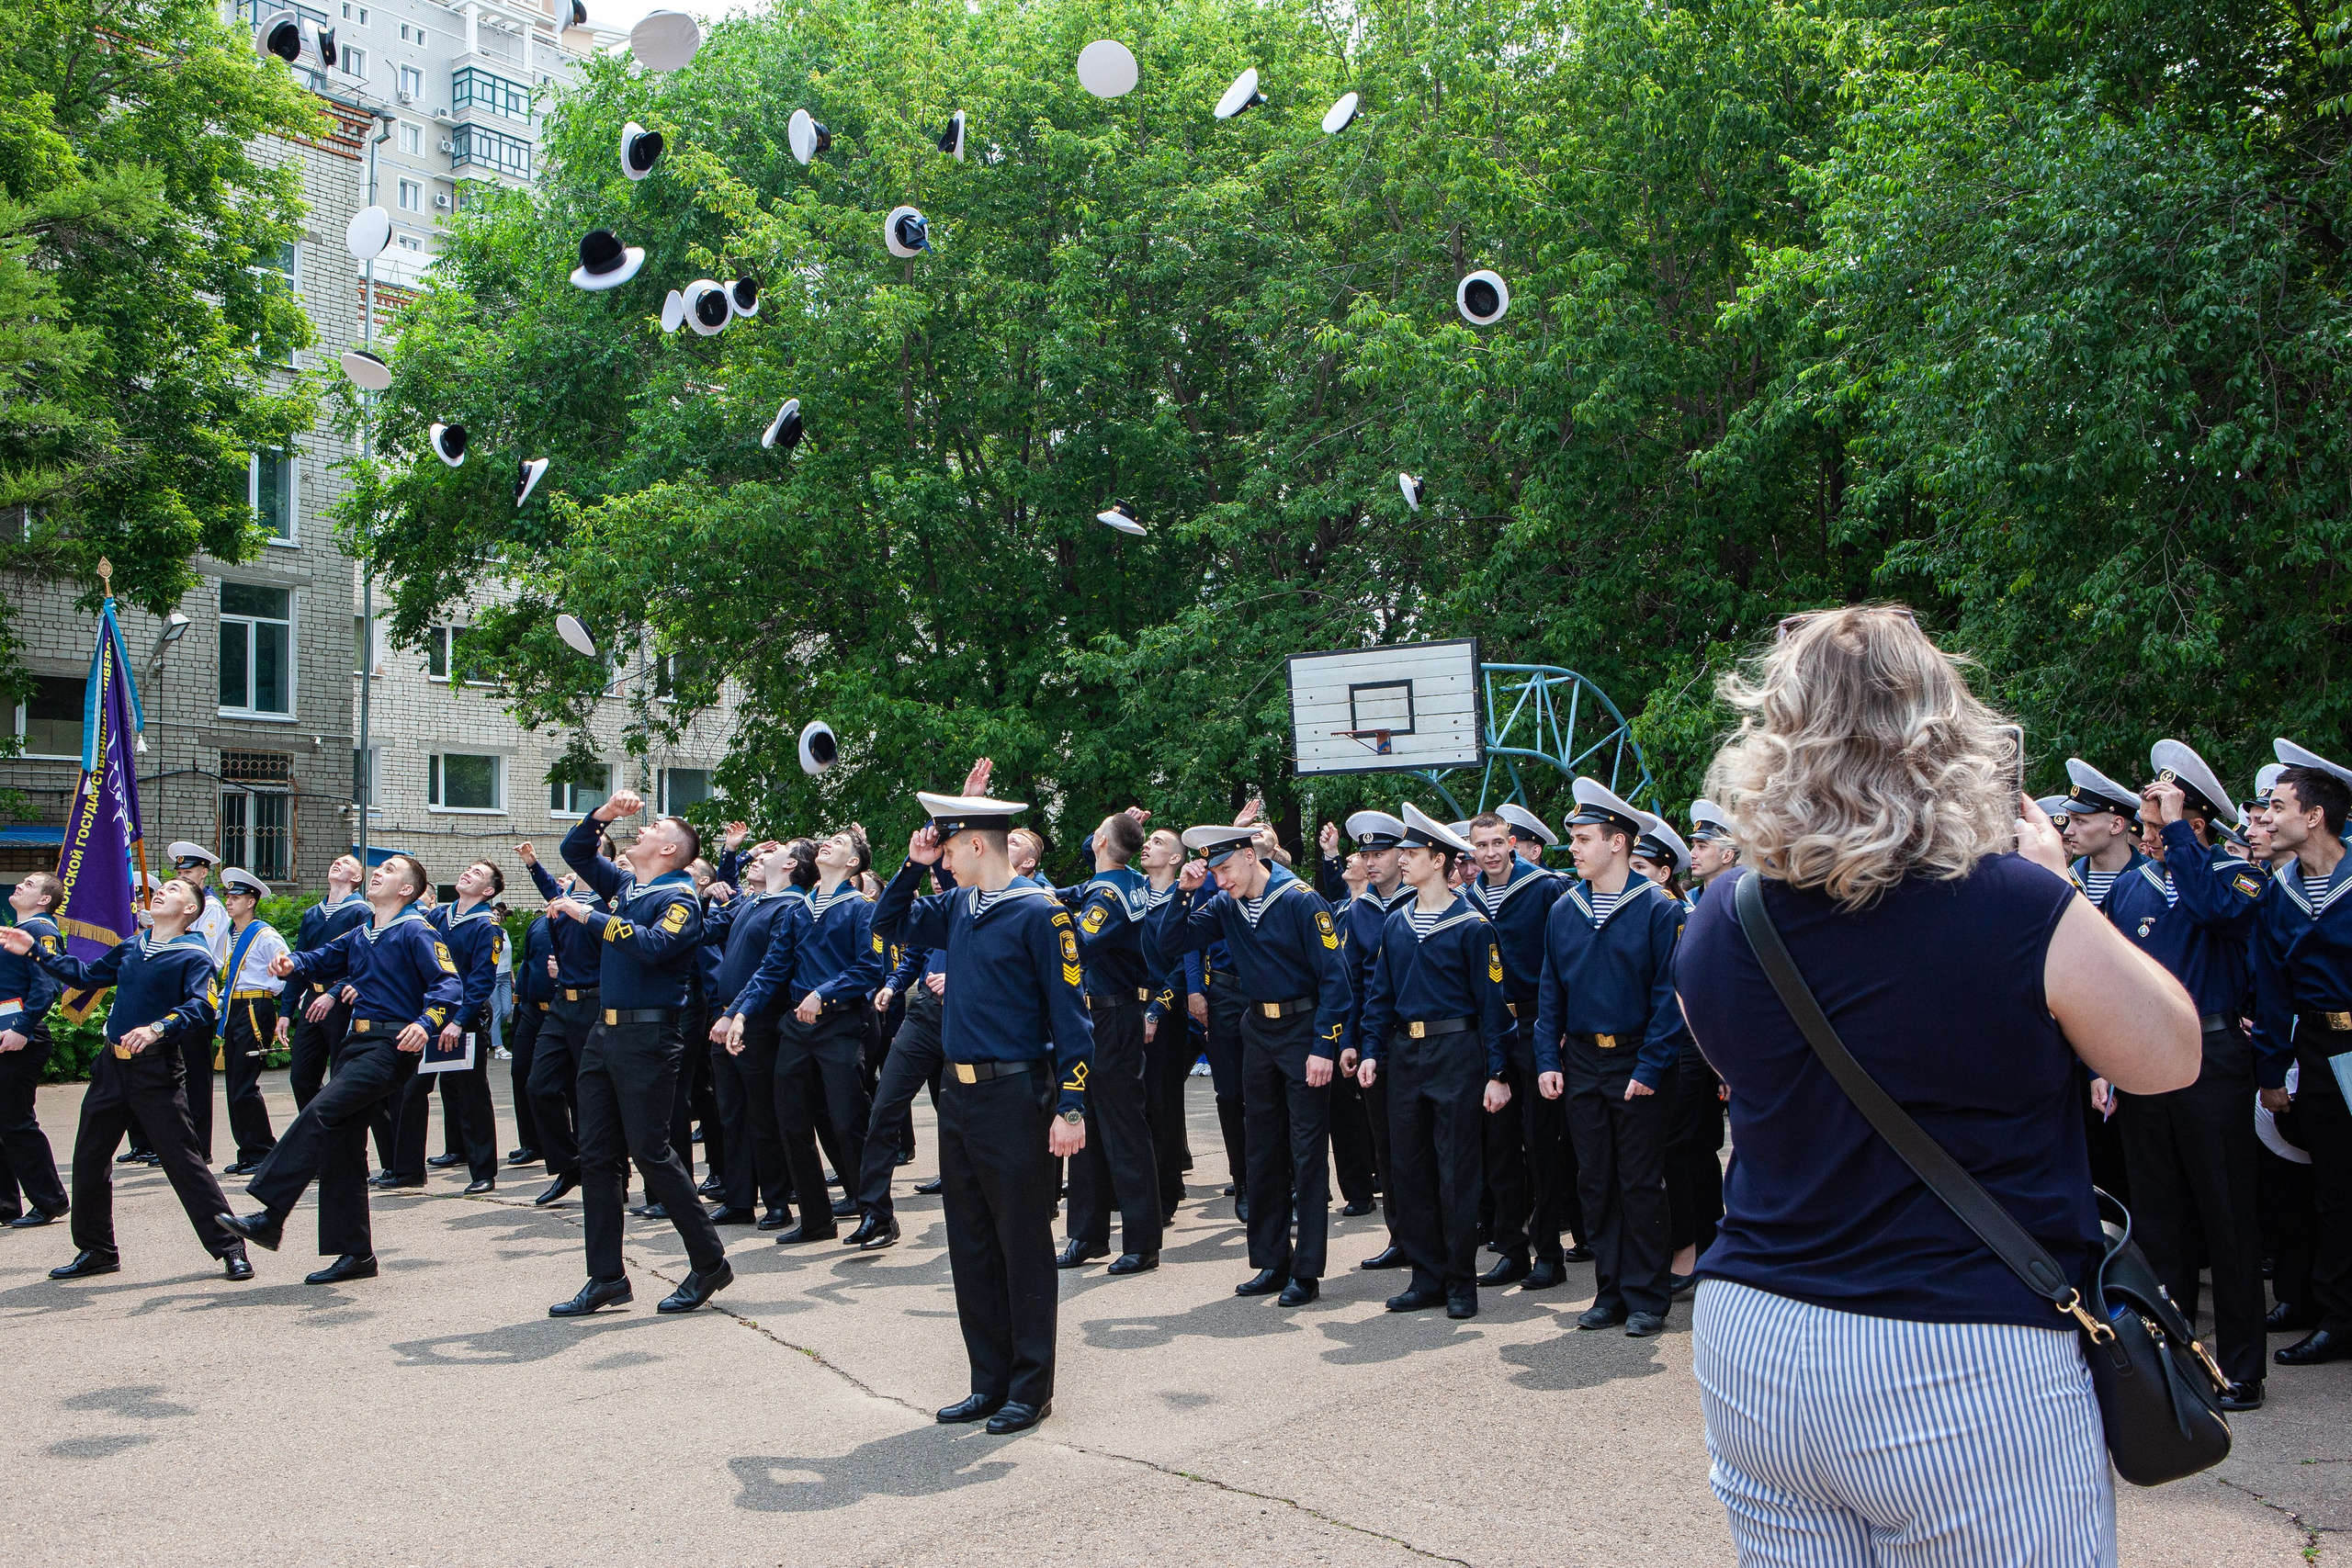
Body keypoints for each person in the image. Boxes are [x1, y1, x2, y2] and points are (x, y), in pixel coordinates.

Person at [1677, 604, 2199, 1567]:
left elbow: (1734, 1070)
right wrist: (2063, 888)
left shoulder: (1722, 911)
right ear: (1941, 730)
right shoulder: (2013, 903)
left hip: (1757, 1332)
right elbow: (2166, 1058)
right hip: (1956, 1349)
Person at [872, 777, 1091, 1434]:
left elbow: (1073, 1019)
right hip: (959, 1095)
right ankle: (986, 1380)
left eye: (944, 846)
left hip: (1016, 1094)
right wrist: (911, 866)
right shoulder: (960, 906)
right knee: (970, 1244)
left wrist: (1072, 1105)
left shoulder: (1040, 911)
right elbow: (887, 924)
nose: (939, 855)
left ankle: (1031, 1386)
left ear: (974, 843)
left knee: (1021, 1243)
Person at [2086, 741, 2267, 1408]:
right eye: (2148, 825)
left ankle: (2243, 1365)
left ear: (2197, 822)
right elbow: (2109, 981)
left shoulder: (2235, 876)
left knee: (2227, 1216)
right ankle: (2174, 1362)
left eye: (2163, 823)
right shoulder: (2133, 885)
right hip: (2143, 1061)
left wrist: (2187, 845)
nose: (2150, 835)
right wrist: (2103, 1062)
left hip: (2213, 1063)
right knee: (2160, 1226)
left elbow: (2218, 911)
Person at [218, 854, 463, 1283]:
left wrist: (426, 1024)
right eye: (378, 868)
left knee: (320, 1111)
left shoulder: (415, 930)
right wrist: (292, 963)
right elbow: (323, 956)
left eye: (390, 871)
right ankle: (355, 1254)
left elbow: (449, 985)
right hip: (356, 1043)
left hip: (391, 1046)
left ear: (406, 890)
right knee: (342, 1146)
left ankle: (271, 1211)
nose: (379, 872)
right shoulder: (365, 931)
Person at [3, 875, 253, 1280]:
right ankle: (97, 1250)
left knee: (184, 1163)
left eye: (174, 890)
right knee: (88, 1160)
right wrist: (35, 952)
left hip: (155, 1069)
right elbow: (85, 976)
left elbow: (202, 1006)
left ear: (191, 909)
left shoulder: (193, 954)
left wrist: (159, 1027)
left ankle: (230, 1247)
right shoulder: (134, 946)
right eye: (162, 887)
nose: (162, 891)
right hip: (111, 1068)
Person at [1147, 819, 1351, 1307]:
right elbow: (1168, 945)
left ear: (1248, 855)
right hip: (1257, 1029)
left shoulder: (1299, 899)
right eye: (1212, 871)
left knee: (1305, 1151)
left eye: (1224, 868)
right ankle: (1271, 1260)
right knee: (1261, 1149)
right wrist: (1182, 894)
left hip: (1303, 1030)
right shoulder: (1223, 901)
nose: (1220, 880)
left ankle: (1306, 1271)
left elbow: (1335, 980)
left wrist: (1325, 1046)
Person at [541, 791, 731, 1315]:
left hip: (649, 1037)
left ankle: (710, 1262)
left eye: (652, 829)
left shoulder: (680, 899)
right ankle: (606, 1277)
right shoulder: (627, 885)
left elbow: (651, 946)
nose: (640, 831)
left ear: (671, 850)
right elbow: (575, 853)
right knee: (598, 1155)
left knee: (651, 1153)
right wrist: (601, 814)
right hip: (607, 1034)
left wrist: (588, 917)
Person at [1530, 778, 1683, 1337]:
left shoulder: (1657, 910)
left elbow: (1671, 997)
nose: (1573, 847)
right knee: (1594, 1180)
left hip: (1637, 1063)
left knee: (1640, 1182)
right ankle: (1610, 1291)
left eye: (1584, 838)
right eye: (1573, 837)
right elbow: (1551, 993)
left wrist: (1650, 1066)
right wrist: (1548, 1059)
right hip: (1584, 1064)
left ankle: (1647, 1297)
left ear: (1617, 843)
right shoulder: (1564, 911)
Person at [1355, 805, 1512, 1319]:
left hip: (1457, 1054)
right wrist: (1373, 1051)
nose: (1403, 860)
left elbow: (1493, 1007)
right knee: (1411, 1168)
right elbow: (1381, 996)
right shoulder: (1397, 924)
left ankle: (1461, 1283)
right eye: (1402, 852)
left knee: (1457, 1172)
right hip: (1407, 1056)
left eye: (1413, 853)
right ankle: (1427, 1277)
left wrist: (1497, 1072)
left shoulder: (1472, 926)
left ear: (1440, 861)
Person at [725, 827, 878, 1244]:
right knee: (791, 1123)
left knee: (848, 1121)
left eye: (841, 843)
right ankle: (815, 1218)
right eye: (828, 839)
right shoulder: (799, 910)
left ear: (852, 864)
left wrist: (822, 994)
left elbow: (870, 969)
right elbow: (771, 968)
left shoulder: (860, 908)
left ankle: (877, 1214)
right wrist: (740, 1013)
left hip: (840, 1024)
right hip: (796, 1026)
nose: (828, 842)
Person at [2252, 740, 2352, 1368]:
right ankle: (2339, 1317)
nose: (2267, 816)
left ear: (2314, 815)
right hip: (2318, 1046)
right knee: (2334, 1190)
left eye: (2279, 804)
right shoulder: (2279, 892)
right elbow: (2272, 989)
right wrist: (2272, 1070)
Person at [1464, 805, 1578, 1286]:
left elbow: (1568, 957)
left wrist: (1565, 1023)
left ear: (1512, 843)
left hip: (1536, 1025)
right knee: (1500, 1145)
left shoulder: (1546, 889)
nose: (1490, 853)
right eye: (1481, 846)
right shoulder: (1466, 899)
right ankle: (1513, 1249)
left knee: (1542, 1143)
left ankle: (1549, 1251)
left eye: (1497, 843)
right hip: (1492, 1031)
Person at [1055, 809, 1163, 1275]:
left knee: (1123, 1129)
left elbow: (1076, 943)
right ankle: (1087, 1234)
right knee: (1087, 1126)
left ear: (1100, 839)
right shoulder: (1126, 879)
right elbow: (1091, 863)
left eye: (1095, 832)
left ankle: (1142, 1241)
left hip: (1111, 1014)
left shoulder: (1108, 896)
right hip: (1101, 1013)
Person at [1333, 811, 1417, 1273]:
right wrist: (1351, 1039)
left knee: (1422, 1144)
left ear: (1401, 855)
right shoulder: (1360, 908)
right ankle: (1399, 1235)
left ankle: (1433, 1236)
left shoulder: (1422, 902)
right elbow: (1354, 983)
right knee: (1385, 1145)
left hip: (1421, 1036)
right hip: (1376, 1039)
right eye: (1364, 854)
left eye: (1379, 853)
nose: (1370, 862)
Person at [393, 861, 503, 1195]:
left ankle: (483, 1171)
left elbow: (482, 981)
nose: (467, 872)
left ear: (488, 891)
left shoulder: (486, 925)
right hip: (431, 1016)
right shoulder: (439, 916)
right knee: (412, 1090)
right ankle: (408, 1170)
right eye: (467, 868)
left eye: (477, 874)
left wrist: (458, 1020)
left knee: (471, 1095)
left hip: (463, 1018)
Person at [705, 842, 799, 1228]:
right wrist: (700, 893)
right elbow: (705, 930)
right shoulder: (753, 902)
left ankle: (777, 1201)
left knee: (764, 1115)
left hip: (756, 1022)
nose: (760, 858)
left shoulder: (788, 907)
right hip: (728, 1018)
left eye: (767, 857)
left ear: (790, 865)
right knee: (732, 1113)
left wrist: (735, 1013)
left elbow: (770, 970)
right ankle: (739, 1198)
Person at [518, 841, 606, 1207]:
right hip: (561, 1004)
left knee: (592, 1096)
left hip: (595, 1004)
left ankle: (607, 1172)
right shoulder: (566, 898)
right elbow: (554, 893)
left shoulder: (610, 902)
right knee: (539, 1086)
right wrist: (533, 865)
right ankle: (571, 1165)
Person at [0, 873, 70, 1228]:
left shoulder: (42, 931)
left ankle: (49, 1201)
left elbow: (46, 988)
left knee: (16, 1123)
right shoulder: (17, 930)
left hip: (21, 1036)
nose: (20, 885)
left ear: (44, 899)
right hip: (5, 1032)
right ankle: (4, 1204)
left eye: (29, 883)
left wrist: (21, 1029)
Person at [1136, 827, 1195, 1223]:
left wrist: (1157, 1009)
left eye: (1158, 842)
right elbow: (1100, 853)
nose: (1147, 845)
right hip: (1126, 1011)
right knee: (1134, 1105)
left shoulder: (1182, 900)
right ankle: (1141, 1188)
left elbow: (1181, 966)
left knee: (1163, 1105)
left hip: (1164, 1015)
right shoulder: (1131, 893)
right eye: (1146, 840)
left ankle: (1166, 1193)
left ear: (1176, 858)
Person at [212, 868, 287, 1176]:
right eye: (228, 896)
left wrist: (264, 995)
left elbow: (286, 973)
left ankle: (261, 1152)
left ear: (252, 901)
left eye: (237, 897)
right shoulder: (230, 933)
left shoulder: (264, 935)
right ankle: (248, 1151)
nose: (229, 902)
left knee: (244, 1085)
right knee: (233, 1085)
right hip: (233, 1007)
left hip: (255, 1008)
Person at [286, 855, 369, 1111]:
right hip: (312, 999)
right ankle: (315, 1133)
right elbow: (300, 961)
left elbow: (363, 964)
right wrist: (286, 1012)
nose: (336, 863)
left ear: (356, 878)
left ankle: (346, 1146)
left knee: (341, 1076)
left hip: (342, 1000)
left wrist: (333, 993)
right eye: (335, 861)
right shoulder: (312, 914)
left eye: (345, 863)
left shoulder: (361, 911)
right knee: (301, 1076)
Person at [507, 901, 553, 1168]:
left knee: (557, 1081)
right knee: (521, 1072)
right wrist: (520, 1003)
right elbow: (528, 965)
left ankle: (567, 1142)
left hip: (560, 1007)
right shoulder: (539, 922)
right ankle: (532, 1142)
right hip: (531, 1009)